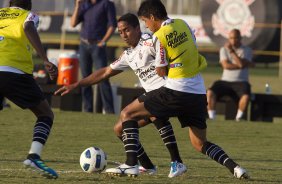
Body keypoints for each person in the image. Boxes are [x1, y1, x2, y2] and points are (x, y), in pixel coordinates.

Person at [104, 0, 250, 179]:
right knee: (199, 143)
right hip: (197, 93)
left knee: (127, 113)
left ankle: (131, 164)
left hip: (176, 91)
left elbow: (160, 69)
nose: (147, 27)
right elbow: (192, 46)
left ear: (152, 17)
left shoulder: (159, 36)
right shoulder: (183, 24)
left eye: (145, 22)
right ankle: (235, 168)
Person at [55, 13, 186, 178]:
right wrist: (77, 84)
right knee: (119, 129)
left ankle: (174, 162)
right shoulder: (128, 55)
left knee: (144, 112)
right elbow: (105, 73)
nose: (123, 35)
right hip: (154, 97)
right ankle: (147, 166)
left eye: (127, 30)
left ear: (138, 28)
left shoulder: (151, 40)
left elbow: (170, 51)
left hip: (168, 93)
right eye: (121, 32)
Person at [0, 0, 58, 179]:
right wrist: (45, 58)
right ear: (28, 4)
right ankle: (34, 156)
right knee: (46, 114)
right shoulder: (28, 15)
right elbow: (28, 27)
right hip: (13, 71)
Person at [70, 0, 116, 113]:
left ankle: (109, 111)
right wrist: (77, 6)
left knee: (103, 78)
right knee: (86, 78)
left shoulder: (106, 4)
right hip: (84, 45)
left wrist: (104, 41)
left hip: (98, 45)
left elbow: (112, 25)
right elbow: (72, 24)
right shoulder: (84, 4)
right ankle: (87, 110)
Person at [207, 29, 254, 121]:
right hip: (225, 81)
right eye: (231, 38)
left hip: (241, 81)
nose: (233, 40)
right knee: (210, 92)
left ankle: (238, 118)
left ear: (240, 38)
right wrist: (242, 64)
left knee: (246, 96)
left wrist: (232, 51)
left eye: (235, 38)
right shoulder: (223, 49)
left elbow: (241, 65)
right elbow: (226, 66)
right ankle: (212, 117)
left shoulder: (247, 50)